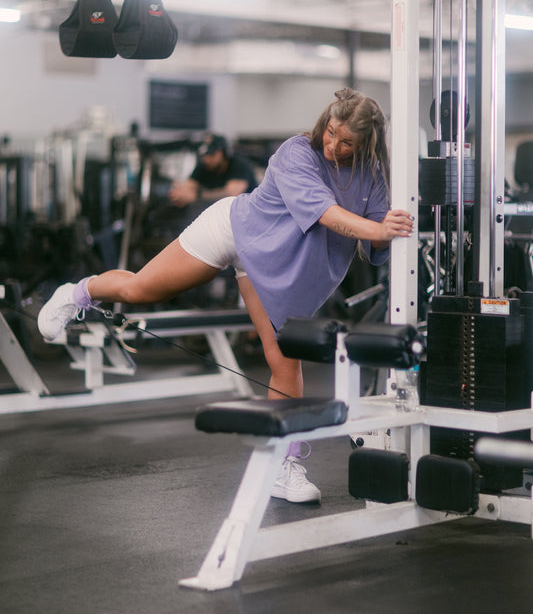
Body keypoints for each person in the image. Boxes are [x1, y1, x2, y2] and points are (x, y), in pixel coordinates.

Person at [37, 88, 413, 504]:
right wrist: (377, 229)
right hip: (235, 229)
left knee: (283, 357)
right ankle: (77, 293)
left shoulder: (373, 174)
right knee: (140, 288)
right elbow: (325, 212)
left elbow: (379, 241)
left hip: (271, 266)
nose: (333, 145)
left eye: (346, 142)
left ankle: (283, 465)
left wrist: (389, 226)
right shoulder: (297, 152)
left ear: (366, 144)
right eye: (331, 132)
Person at [169, 133, 257, 207]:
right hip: (218, 212)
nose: (207, 159)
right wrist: (180, 194)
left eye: (211, 154)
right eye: (205, 155)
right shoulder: (204, 165)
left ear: (222, 152)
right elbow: (189, 186)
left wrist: (198, 196)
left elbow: (231, 194)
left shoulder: (239, 164)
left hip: (246, 211)